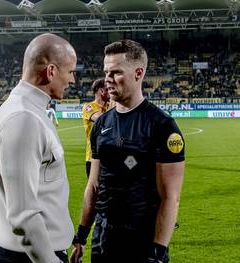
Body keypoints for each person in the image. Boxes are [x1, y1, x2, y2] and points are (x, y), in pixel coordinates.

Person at [71, 39, 185, 263]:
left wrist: (158, 253)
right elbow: (94, 185)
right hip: (102, 240)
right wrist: (81, 236)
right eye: (106, 72)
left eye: (115, 72)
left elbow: (170, 197)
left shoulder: (162, 126)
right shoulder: (101, 124)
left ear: (138, 73)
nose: (108, 79)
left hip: (141, 242)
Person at [0, 33, 77, 263]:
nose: (73, 80)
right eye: (71, 72)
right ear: (51, 71)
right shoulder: (23, 119)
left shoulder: (29, 111)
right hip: (30, 257)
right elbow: (23, 216)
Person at [82, 78, 110, 177]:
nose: (111, 92)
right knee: (95, 191)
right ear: (101, 91)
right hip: (94, 158)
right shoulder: (89, 107)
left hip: (110, 157)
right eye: (108, 89)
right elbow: (102, 121)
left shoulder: (109, 106)